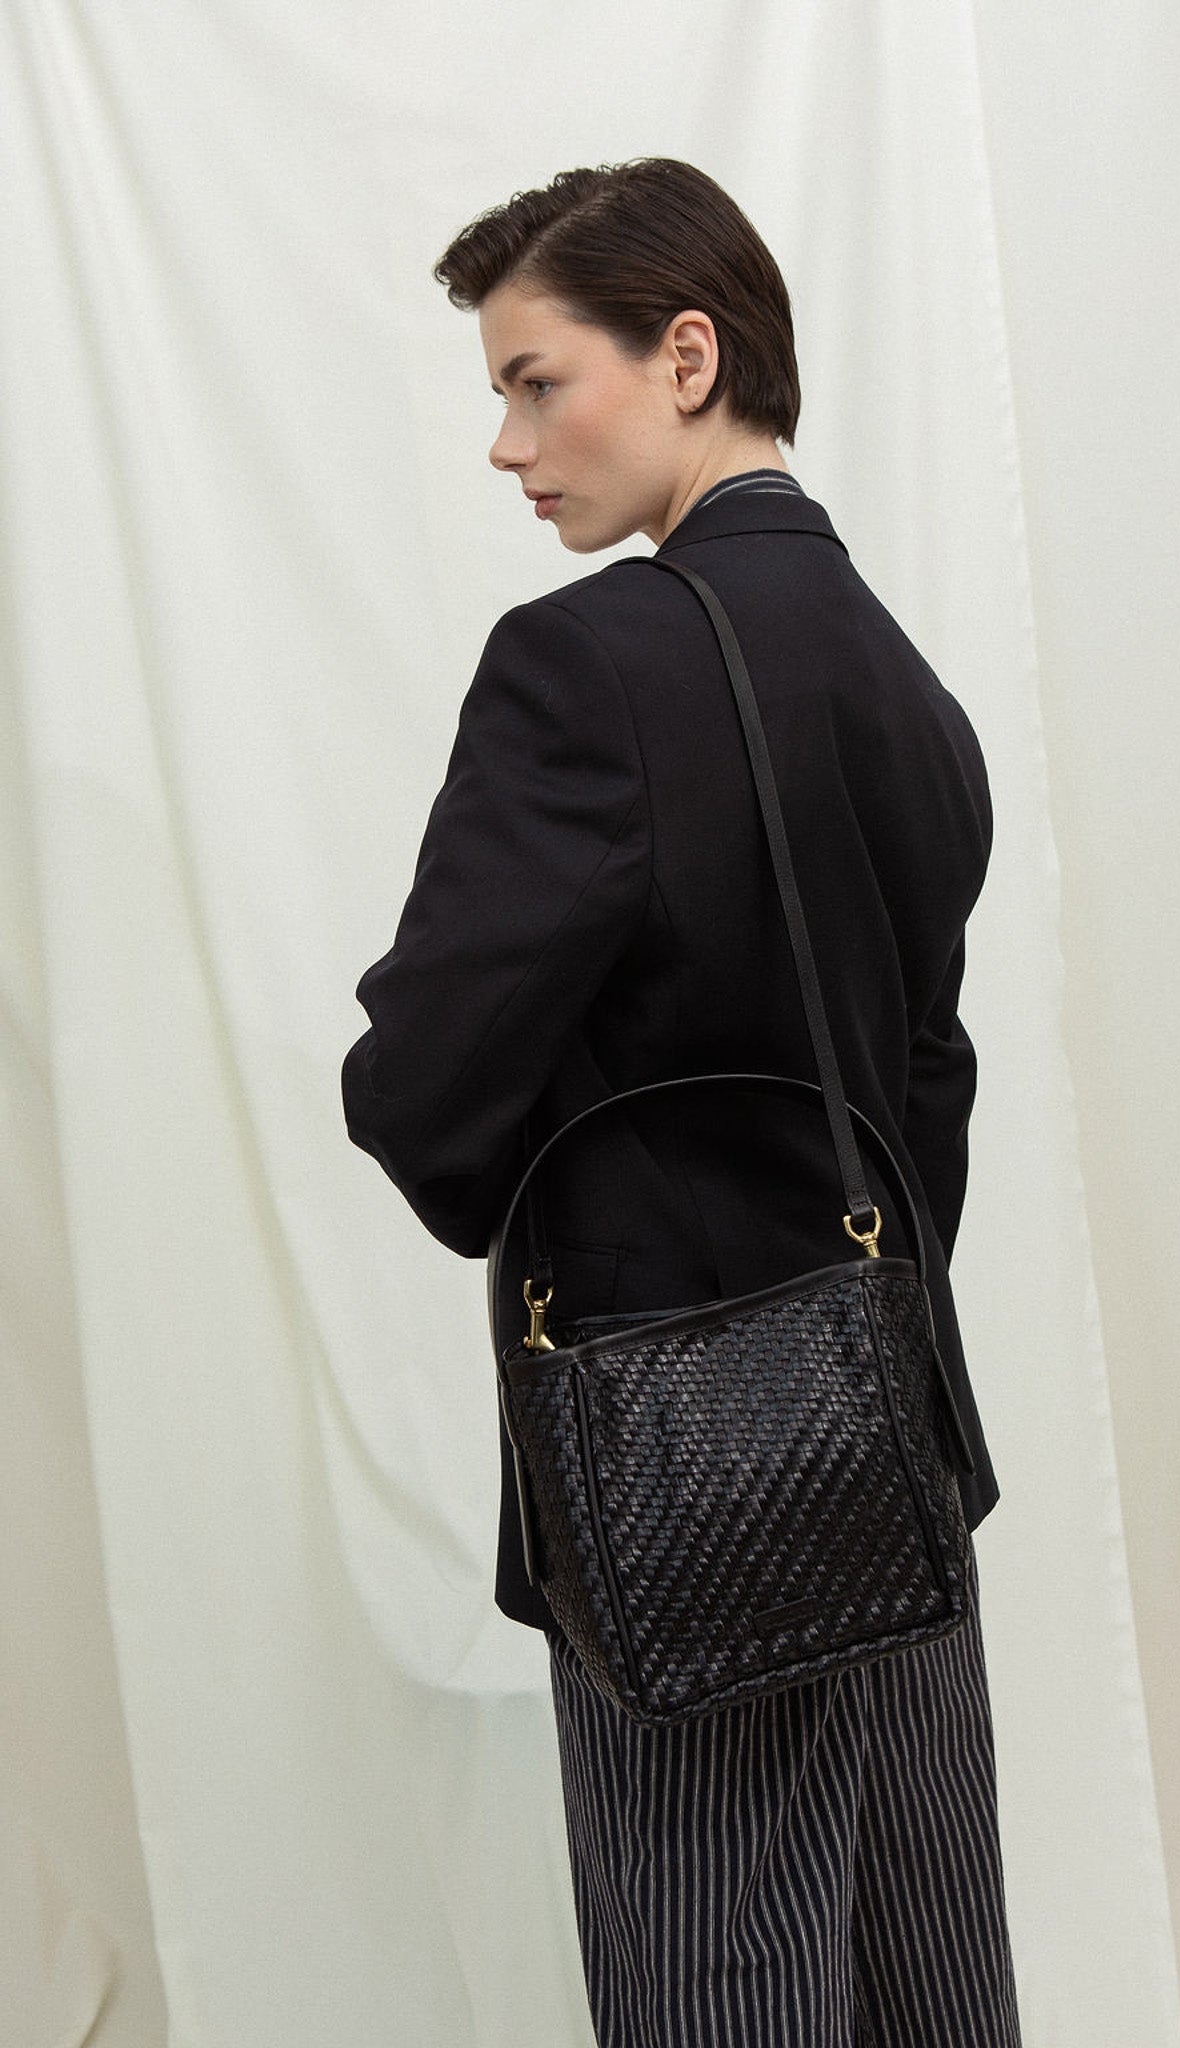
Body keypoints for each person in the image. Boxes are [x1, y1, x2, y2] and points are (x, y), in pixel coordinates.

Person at [341, 156, 1021, 2048]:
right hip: (895, 1448)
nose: (507, 444)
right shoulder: (906, 684)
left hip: (680, 1484)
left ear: (689, 356)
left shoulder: (587, 665)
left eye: (535, 381)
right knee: (925, 1980)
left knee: (715, 1985)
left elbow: (423, 1086)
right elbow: (925, 1086)